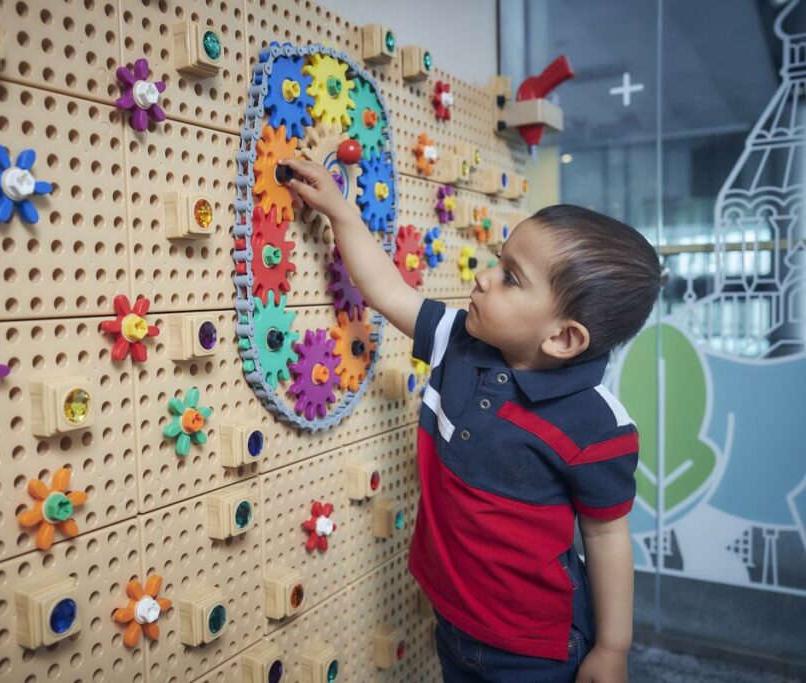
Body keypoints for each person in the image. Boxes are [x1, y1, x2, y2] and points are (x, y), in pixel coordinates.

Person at [279, 157, 661, 683]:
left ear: (562, 338)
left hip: (534, 650)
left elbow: (606, 536)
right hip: (453, 618)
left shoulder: (597, 426)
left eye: (510, 278)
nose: (484, 277)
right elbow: (387, 290)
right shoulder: (457, 340)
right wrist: (340, 211)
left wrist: (614, 647)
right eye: (498, 262)